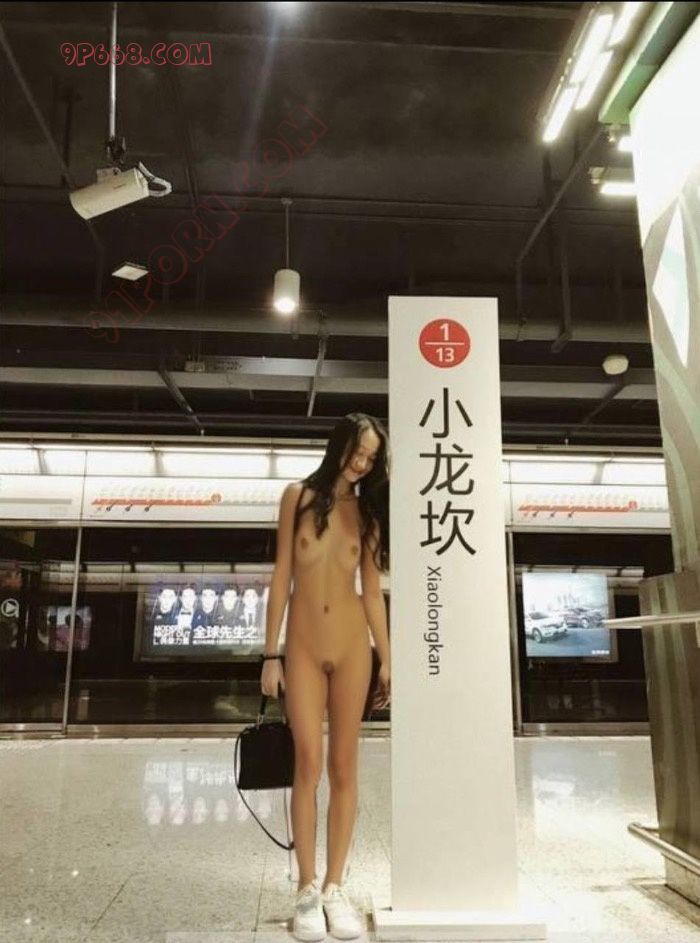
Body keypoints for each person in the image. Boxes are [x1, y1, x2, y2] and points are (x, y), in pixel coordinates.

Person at [260, 412, 391, 942]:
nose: (362, 463)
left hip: (354, 647)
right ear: (338, 445)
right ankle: (306, 887)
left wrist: (388, 657)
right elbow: (281, 576)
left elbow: (372, 591)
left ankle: (336, 886)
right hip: (304, 648)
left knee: (344, 766)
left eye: (371, 458)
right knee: (308, 763)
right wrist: (270, 654)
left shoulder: (368, 514)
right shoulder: (297, 498)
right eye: (357, 451)